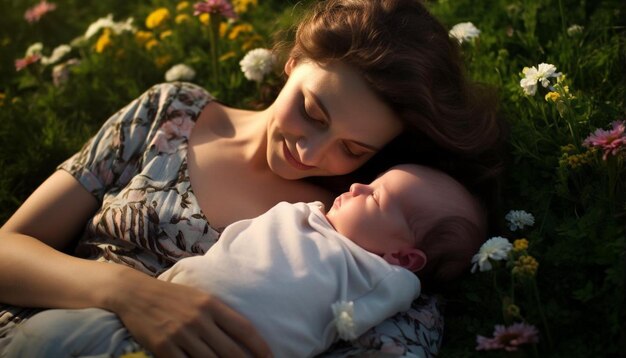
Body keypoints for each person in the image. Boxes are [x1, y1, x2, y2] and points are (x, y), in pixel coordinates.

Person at [0, 0, 505, 357]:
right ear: (291, 63)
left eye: (354, 149)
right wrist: (128, 293)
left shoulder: (364, 239)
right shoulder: (171, 112)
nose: (309, 152)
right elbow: (8, 249)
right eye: (311, 110)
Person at [2, 164, 486, 357]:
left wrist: (344, 320)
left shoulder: (384, 277)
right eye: (368, 179)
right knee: (46, 339)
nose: (357, 185)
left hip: (227, 348)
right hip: (151, 308)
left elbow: (361, 317)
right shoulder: (306, 214)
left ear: (404, 254)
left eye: (376, 197)